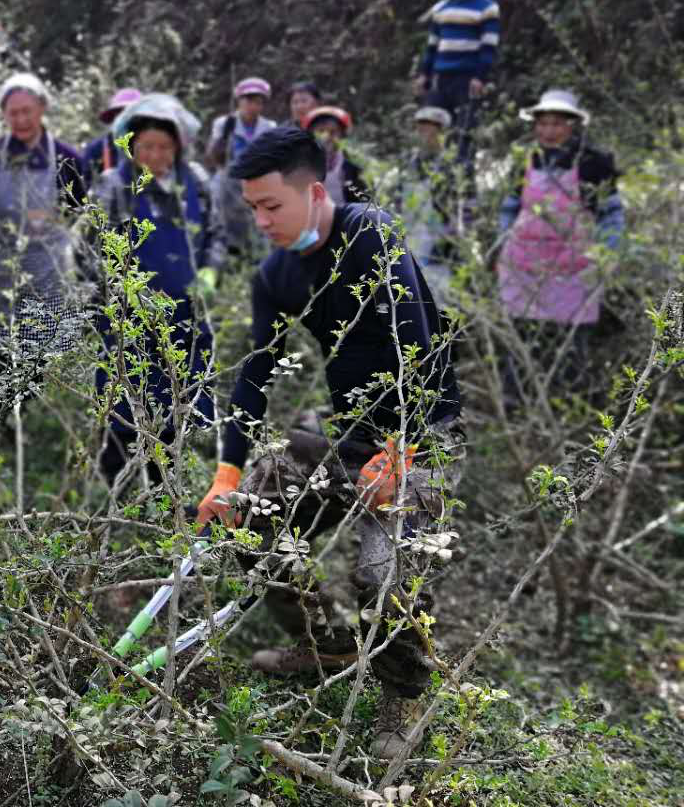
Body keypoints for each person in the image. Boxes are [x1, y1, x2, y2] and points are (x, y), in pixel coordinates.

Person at [194, 127, 462, 761]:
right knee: (251, 510)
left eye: (272, 206)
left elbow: (415, 341)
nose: (261, 221)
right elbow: (255, 374)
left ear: (315, 193)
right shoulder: (276, 273)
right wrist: (226, 475)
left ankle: (405, 692)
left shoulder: (368, 230)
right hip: (347, 431)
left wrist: (399, 453)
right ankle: (326, 641)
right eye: (252, 208)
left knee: (380, 571)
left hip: (424, 432)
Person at [90, 93, 224, 488]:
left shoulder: (195, 182)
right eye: (146, 145)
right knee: (125, 398)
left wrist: (211, 273)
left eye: (164, 146)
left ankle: (166, 489)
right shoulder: (114, 186)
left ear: (178, 146)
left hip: (186, 313)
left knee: (177, 399)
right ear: (131, 145)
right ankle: (113, 489)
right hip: (130, 315)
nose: (154, 154)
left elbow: (216, 233)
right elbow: (93, 245)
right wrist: (116, 289)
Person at [0, 73, 88, 422]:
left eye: (28, 111)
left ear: (43, 109)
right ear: (3, 115)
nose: (21, 120)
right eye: (13, 113)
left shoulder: (67, 157)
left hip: (48, 265)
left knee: (48, 340)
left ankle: (40, 422)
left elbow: (80, 210)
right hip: (0, 263)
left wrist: (48, 223)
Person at [497, 90, 622, 393]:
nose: (548, 131)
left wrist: (607, 253)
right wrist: (500, 244)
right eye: (543, 124)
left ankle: (568, 399)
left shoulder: (594, 163)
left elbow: (611, 213)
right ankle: (516, 399)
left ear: (571, 125)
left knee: (572, 337)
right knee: (520, 336)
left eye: (556, 124)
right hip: (523, 264)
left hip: (573, 267)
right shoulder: (526, 160)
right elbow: (510, 207)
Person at [413, 0, 500, 160]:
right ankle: (433, 182)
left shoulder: (487, 7)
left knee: (463, 134)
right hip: (441, 79)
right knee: (432, 129)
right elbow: (433, 45)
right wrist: (424, 74)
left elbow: (489, 46)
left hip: (468, 79)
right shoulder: (441, 8)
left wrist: (480, 77)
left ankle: (464, 186)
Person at [387, 106, 471, 303]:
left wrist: (455, 238)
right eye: (421, 128)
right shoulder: (406, 162)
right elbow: (396, 200)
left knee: (439, 301)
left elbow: (465, 207)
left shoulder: (454, 165)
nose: (425, 134)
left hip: (440, 246)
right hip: (408, 239)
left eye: (432, 129)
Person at [206, 77, 278, 257]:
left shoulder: (269, 127)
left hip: (257, 187)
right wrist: (223, 137)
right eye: (248, 100)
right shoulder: (224, 123)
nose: (253, 106)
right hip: (227, 186)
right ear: (239, 101)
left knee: (256, 233)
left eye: (258, 101)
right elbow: (213, 157)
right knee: (224, 230)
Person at [303, 105, 370, 204]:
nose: (327, 137)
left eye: (333, 132)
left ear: (342, 135)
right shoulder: (303, 163)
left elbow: (364, 197)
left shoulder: (353, 162)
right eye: (321, 131)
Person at [82, 87, 142, 185]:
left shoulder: (158, 148)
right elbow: (83, 190)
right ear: (114, 117)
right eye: (121, 113)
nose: (126, 119)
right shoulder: (96, 150)